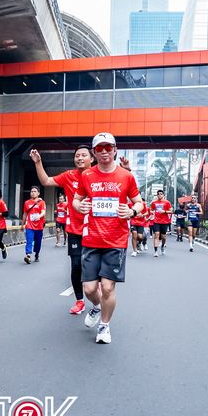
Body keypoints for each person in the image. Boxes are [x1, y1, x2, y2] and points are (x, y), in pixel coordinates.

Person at [73, 133, 143, 344]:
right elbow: (76, 200)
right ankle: (96, 306)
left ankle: (104, 326)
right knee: (89, 289)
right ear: (94, 153)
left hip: (116, 240)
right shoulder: (87, 175)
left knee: (108, 287)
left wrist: (131, 211)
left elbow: (139, 202)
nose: (104, 152)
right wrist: (80, 206)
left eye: (108, 147)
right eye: (99, 148)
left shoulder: (126, 176)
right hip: (92, 239)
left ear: (115, 150)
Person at [30, 145, 94, 315]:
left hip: (95, 229)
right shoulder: (69, 176)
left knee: (94, 268)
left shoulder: (98, 176)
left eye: (84, 155)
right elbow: (46, 181)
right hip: (74, 230)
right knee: (76, 266)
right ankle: (80, 301)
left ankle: (98, 296)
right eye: (77, 155)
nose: (80, 158)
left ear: (92, 159)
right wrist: (38, 162)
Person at [22, 186, 46, 264]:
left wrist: (39, 216)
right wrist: (22, 224)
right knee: (29, 240)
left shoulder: (42, 202)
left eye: (35, 191)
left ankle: (37, 254)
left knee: (38, 242)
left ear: (38, 193)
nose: (33, 193)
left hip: (39, 226)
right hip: (29, 225)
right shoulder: (27, 202)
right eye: (32, 191)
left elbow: (43, 212)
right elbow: (25, 213)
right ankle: (28, 255)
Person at [150, 190, 173, 257]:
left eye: (161, 194)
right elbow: (151, 209)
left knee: (163, 237)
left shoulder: (167, 202)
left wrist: (164, 211)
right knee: (156, 235)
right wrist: (152, 213)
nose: (159, 195)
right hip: (156, 221)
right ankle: (156, 251)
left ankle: (162, 246)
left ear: (163, 195)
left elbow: (171, 211)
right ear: (157, 195)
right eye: (158, 194)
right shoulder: (154, 203)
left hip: (164, 222)